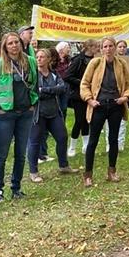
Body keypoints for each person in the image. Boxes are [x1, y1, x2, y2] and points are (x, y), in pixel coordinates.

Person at [0, 32, 39, 203]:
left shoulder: (30, 62)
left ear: (21, 44)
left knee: (21, 153)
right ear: (5, 47)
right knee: (2, 154)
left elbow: (36, 84)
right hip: (5, 116)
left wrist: (33, 104)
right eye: (10, 43)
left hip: (25, 114)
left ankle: (16, 187)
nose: (14, 46)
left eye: (16, 42)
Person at [80, 37, 129, 187]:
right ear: (101, 49)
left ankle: (112, 171)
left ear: (115, 48)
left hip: (116, 105)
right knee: (93, 141)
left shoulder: (121, 64)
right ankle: (88, 175)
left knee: (113, 139)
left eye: (111, 46)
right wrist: (90, 99)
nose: (108, 49)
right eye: (105, 46)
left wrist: (125, 97)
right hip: (98, 105)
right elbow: (84, 84)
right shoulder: (95, 63)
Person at [27, 49, 78, 182]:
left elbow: (62, 88)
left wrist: (44, 90)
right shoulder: (33, 75)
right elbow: (33, 92)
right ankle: (33, 172)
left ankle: (63, 165)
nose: (39, 59)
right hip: (38, 113)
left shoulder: (54, 74)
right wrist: (50, 91)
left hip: (54, 112)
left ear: (49, 59)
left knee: (62, 137)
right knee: (34, 141)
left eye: (42, 57)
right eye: (37, 57)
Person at [64, 39, 98, 157]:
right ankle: (72, 146)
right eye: (95, 46)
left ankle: (85, 145)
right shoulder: (78, 60)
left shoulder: (96, 60)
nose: (97, 49)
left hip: (91, 93)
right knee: (79, 120)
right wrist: (82, 82)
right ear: (89, 47)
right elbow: (67, 76)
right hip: (78, 95)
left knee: (87, 119)